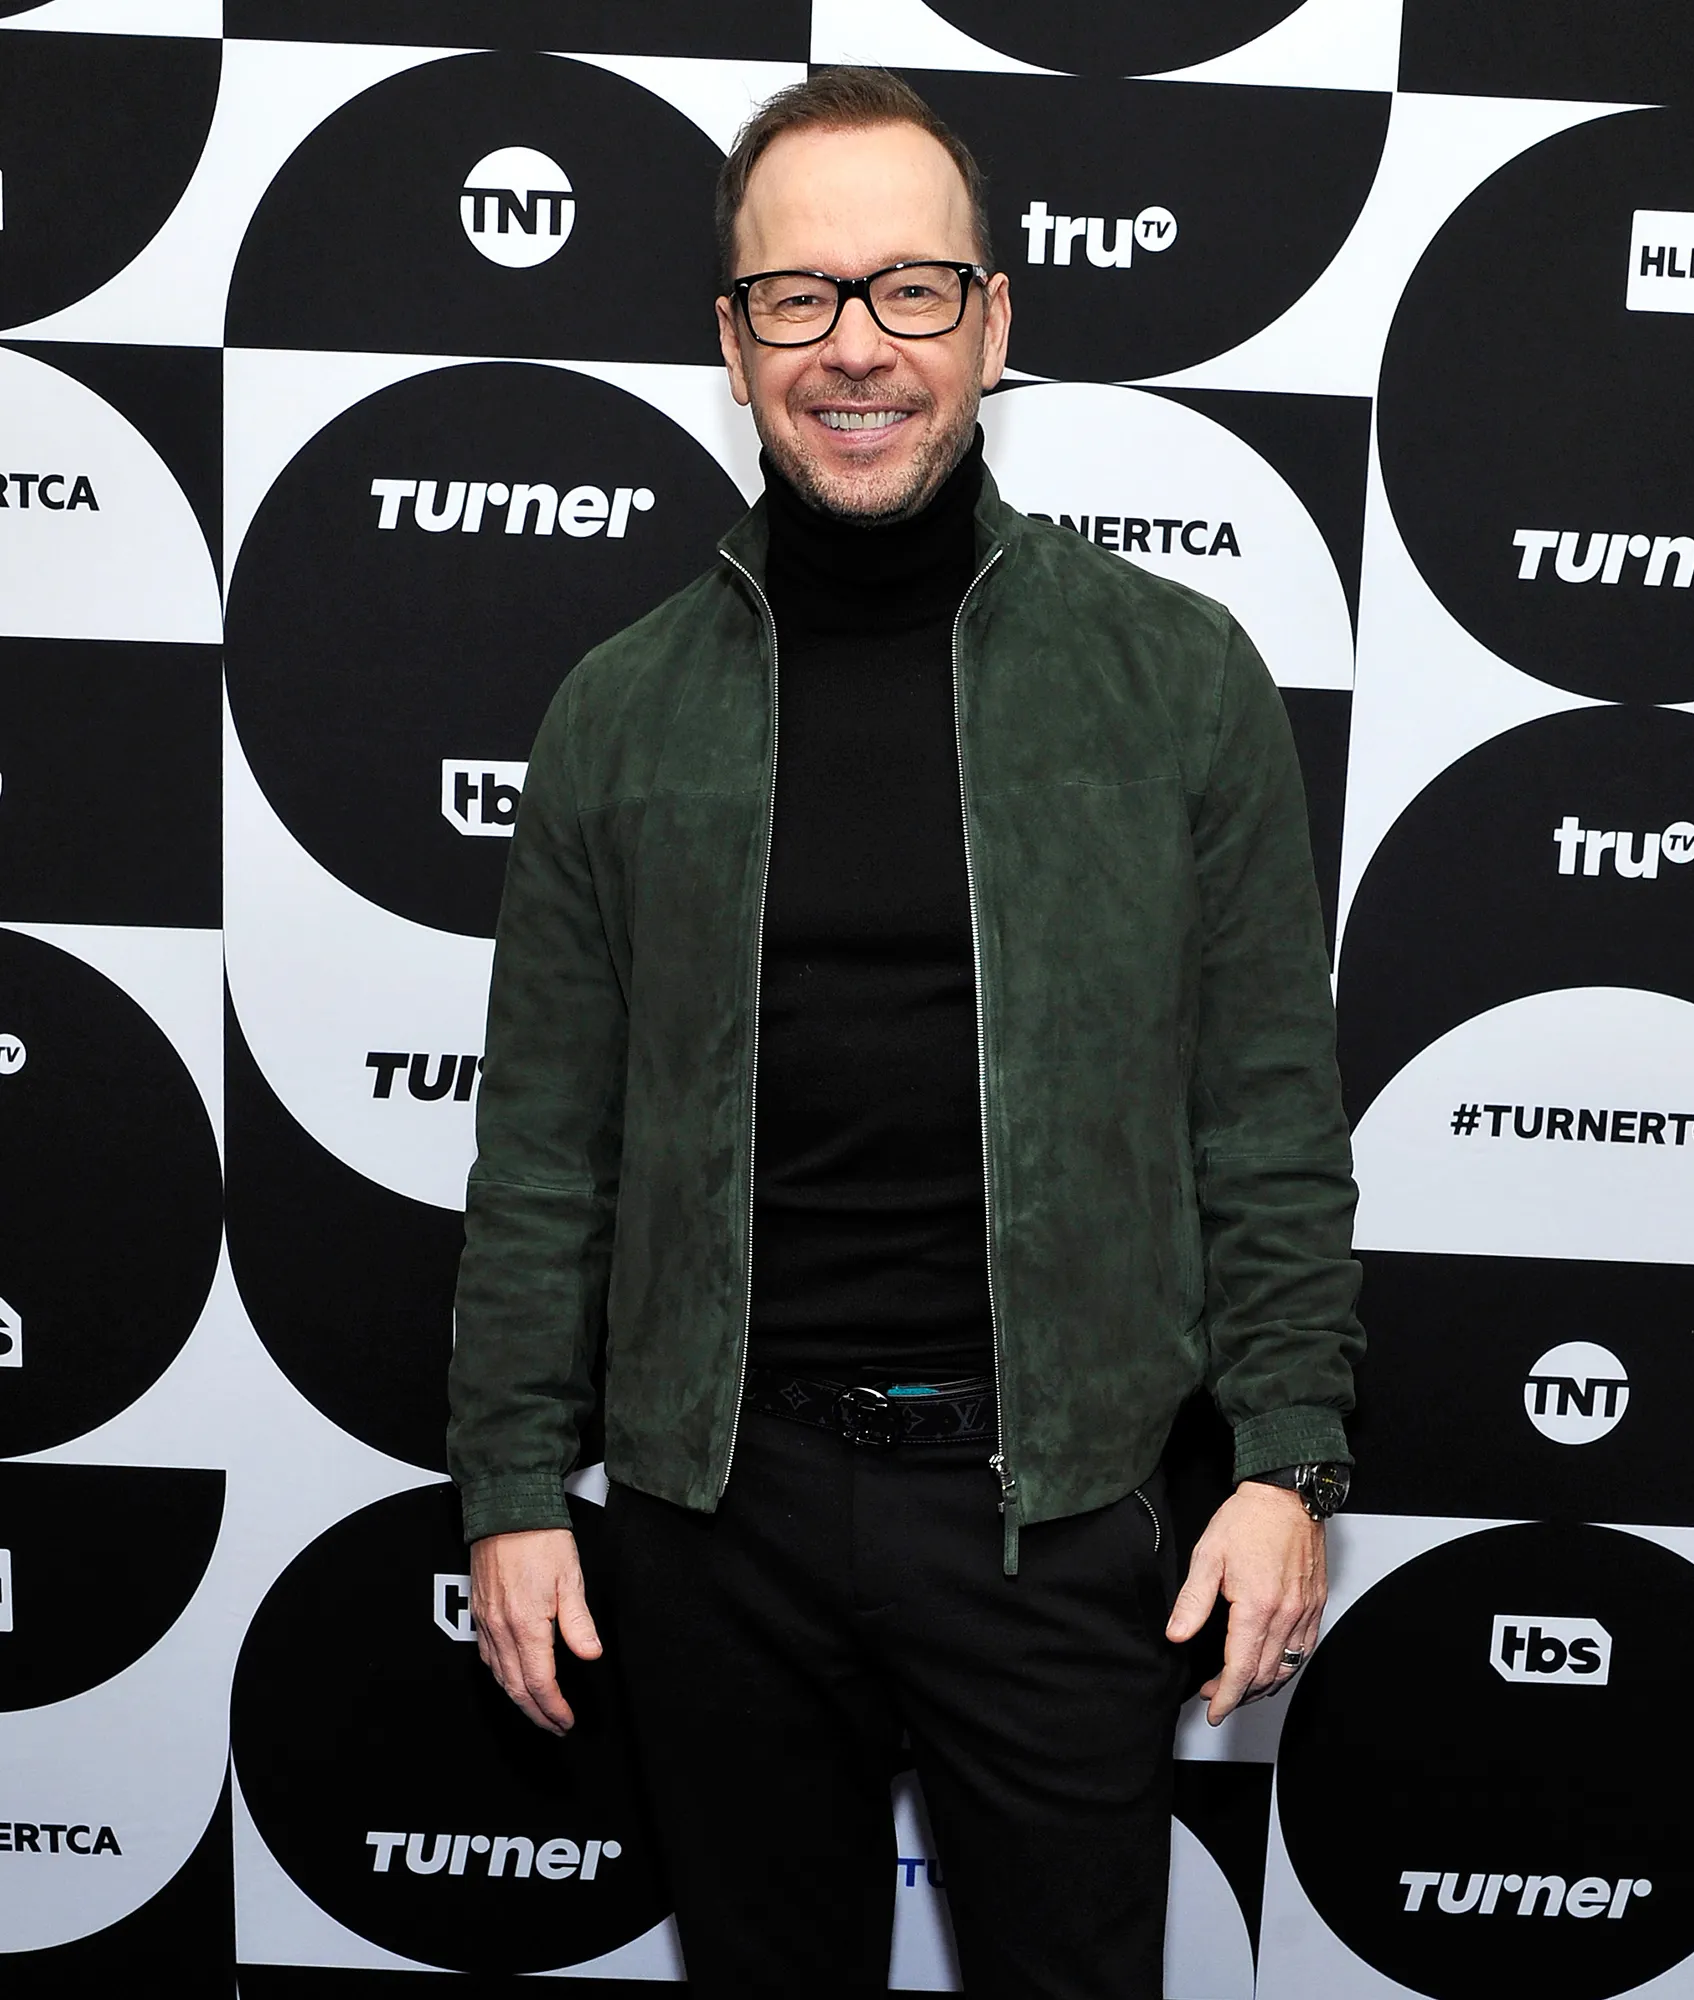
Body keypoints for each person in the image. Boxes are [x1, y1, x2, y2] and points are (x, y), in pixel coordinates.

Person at [448, 67, 1362, 1999]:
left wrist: (1285, 1461)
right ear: (733, 342)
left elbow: (1268, 1115)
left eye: (911, 290)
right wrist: (516, 1493)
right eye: (800, 296)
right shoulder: (617, 712)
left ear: (992, 322)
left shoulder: (1178, 681)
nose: (856, 347)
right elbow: (544, 1152)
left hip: (1056, 1514)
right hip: (717, 1521)